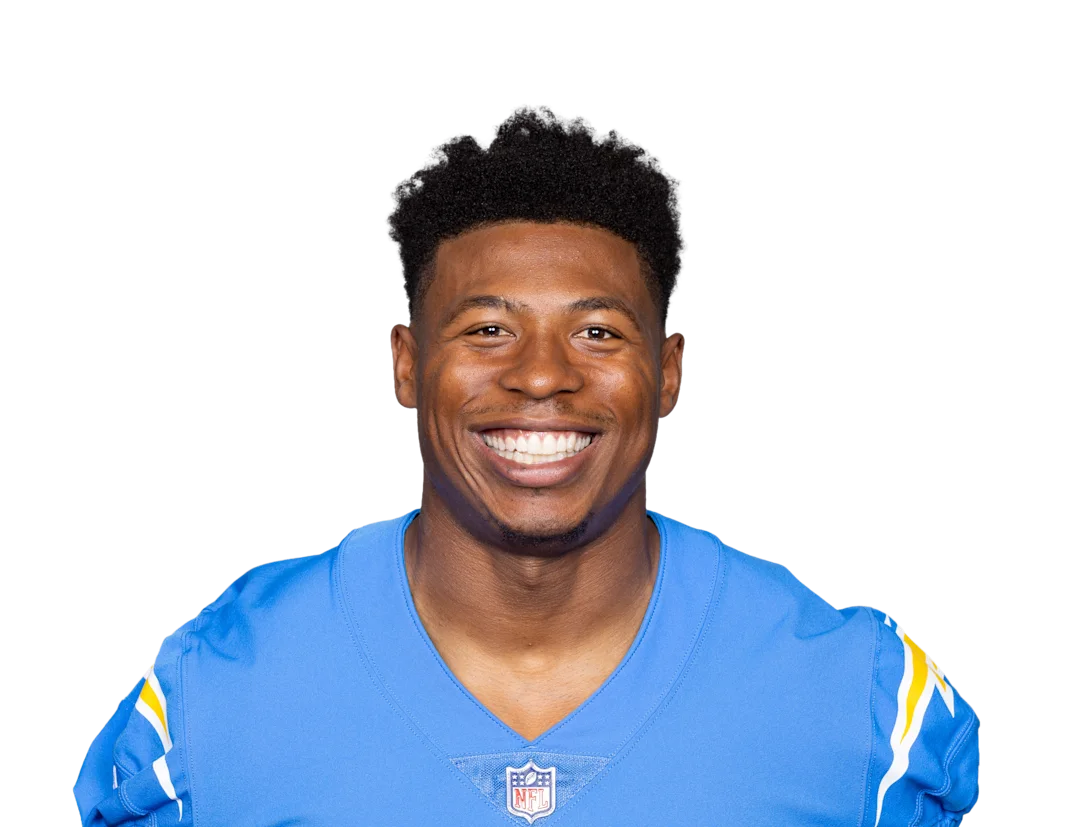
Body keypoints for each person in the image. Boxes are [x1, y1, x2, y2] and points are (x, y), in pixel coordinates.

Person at [73, 102, 981, 825]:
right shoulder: (214, 698)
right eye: (487, 329)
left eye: (598, 332)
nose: (542, 375)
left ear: (670, 371)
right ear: (406, 364)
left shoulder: (862, 704)